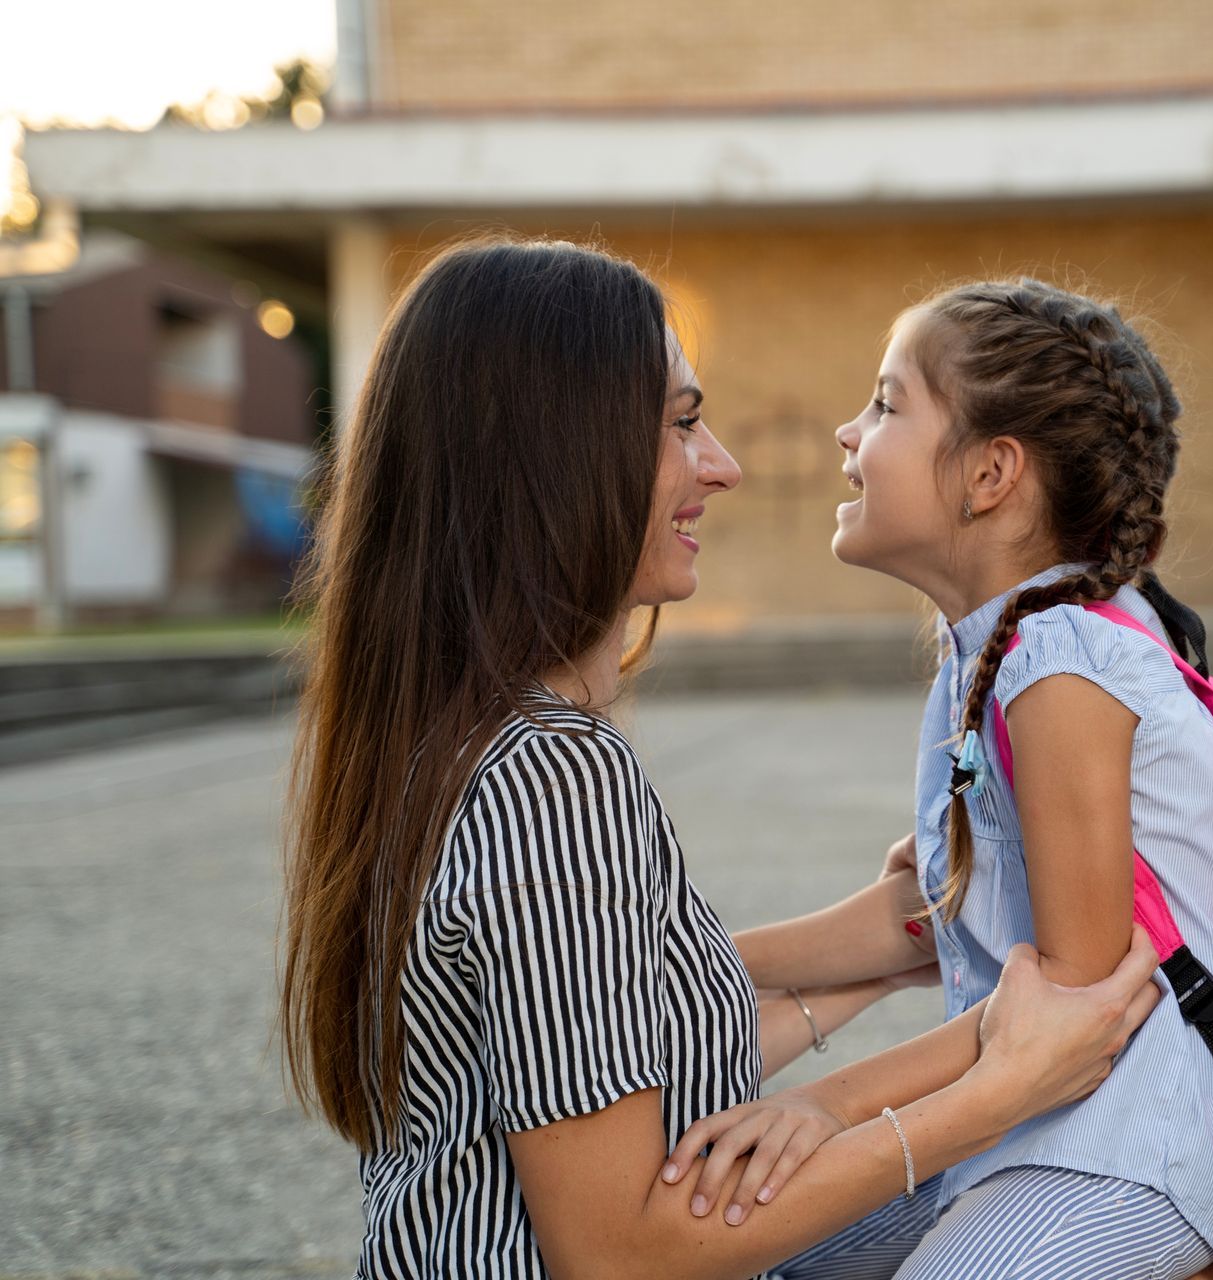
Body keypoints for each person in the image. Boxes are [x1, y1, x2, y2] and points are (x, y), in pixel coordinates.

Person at [277, 240, 1165, 1280]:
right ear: (557, 454)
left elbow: (607, 1045)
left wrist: (888, 948)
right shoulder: (550, 780)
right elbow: (619, 1251)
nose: (723, 465)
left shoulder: (453, 737)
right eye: (682, 422)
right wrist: (995, 1092)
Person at [672, 280, 1213, 1279]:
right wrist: (672, 966)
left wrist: (827, 1103)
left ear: (989, 474)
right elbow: (928, 914)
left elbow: (1074, 1006)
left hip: (1123, 1146)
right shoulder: (996, 654)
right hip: (1027, 1125)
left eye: (887, 403)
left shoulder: (1063, 662)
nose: (846, 432)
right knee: (735, 1243)